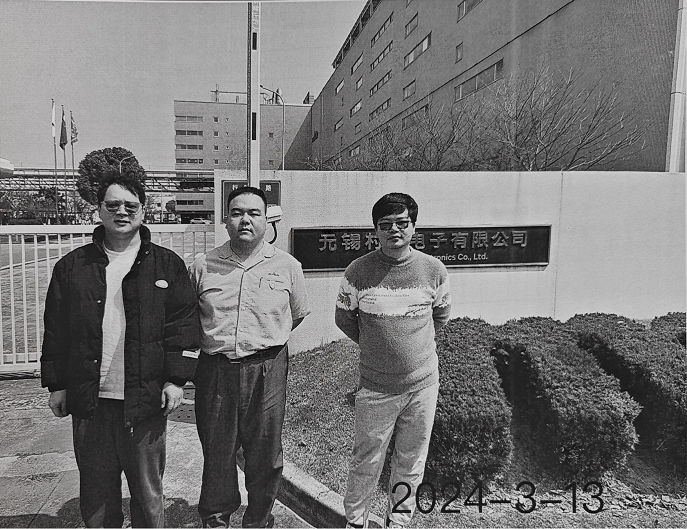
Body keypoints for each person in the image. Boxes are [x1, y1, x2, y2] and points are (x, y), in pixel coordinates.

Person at [41, 173, 200, 528]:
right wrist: (57, 385)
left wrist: (176, 380)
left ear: (143, 210)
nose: (121, 212)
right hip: (90, 398)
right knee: (96, 493)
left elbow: (183, 326)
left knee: (147, 492)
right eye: (112, 205)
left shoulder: (167, 265)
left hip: (144, 399)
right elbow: (56, 330)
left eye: (130, 205)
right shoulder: (72, 267)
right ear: (99, 210)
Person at [189, 186, 310, 528]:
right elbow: (190, 317)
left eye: (254, 213)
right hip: (216, 370)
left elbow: (296, 314)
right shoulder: (203, 266)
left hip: (268, 369)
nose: (245, 220)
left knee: (266, 453)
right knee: (217, 452)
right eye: (237, 213)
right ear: (226, 219)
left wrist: (264, 341)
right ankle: (216, 520)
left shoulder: (287, 266)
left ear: (266, 220)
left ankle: (258, 520)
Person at [335, 192, 452, 528]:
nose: (394, 230)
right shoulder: (358, 271)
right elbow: (344, 319)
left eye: (402, 223)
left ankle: (398, 520)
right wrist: (377, 346)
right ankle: (355, 520)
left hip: (422, 387)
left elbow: (441, 316)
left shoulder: (433, 269)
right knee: (366, 460)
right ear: (376, 230)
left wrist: (410, 345)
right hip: (375, 387)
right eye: (385, 225)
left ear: (414, 226)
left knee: (411, 460)